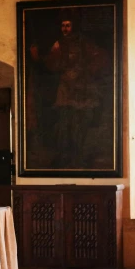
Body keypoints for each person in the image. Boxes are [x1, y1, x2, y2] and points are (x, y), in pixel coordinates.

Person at [29, 11, 109, 167]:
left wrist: (84, 71)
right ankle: (67, 156)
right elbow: (52, 64)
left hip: (82, 90)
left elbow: (100, 57)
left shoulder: (84, 43)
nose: (65, 29)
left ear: (74, 26)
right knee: (65, 123)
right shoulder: (58, 44)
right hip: (65, 90)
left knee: (81, 123)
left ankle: (79, 156)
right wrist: (36, 57)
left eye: (68, 25)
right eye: (63, 26)